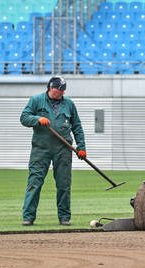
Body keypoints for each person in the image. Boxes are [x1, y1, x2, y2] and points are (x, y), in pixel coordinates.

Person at [20, 76, 87, 226]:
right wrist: (37, 119)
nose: (61, 93)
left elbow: (77, 126)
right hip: (41, 149)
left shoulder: (68, 103)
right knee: (34, 182)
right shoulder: (36, 100)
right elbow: (24, 117)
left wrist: (81, 147)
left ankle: (64, 217)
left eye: (63, 91)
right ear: (51, 88)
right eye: (59, 90)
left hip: (63, 149)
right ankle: (28, 216)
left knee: (64, 184)